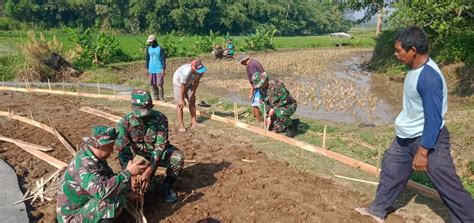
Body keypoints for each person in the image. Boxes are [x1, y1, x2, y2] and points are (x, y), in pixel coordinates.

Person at [355, 26, 474, 223]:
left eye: (399, 50)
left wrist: (423, 151)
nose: (396, 54)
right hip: (406, 136)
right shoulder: (414, 68)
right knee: (391, 169)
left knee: (447, 185)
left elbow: (434, 119)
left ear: (413, 51)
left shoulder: (428, 78)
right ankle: (378, 210)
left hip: (428, 138)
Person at [57, 126, 146, 223]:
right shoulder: (84, 164)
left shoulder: (94, 157)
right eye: (110, 147)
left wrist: (127, 193)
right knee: (110, 202)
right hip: (72, 218)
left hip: (85, 206)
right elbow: (101, 191)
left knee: (117, 194)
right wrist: (127, 173)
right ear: (100, 145)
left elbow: (109, 179)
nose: (112, 151)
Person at [115, 89, 185, 203]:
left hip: (157, 154)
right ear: (132, 108)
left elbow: (159, 147)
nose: (141, 117)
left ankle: (167, 187)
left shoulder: (160, 118)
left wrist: (149, 171)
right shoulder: (124, 123)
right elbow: (123, 152)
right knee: (145, 194)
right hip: (138, 158)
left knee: (177, 158)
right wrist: (131, 175)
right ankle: (149, 183)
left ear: (152, 106)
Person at [252, 72, 299, 138]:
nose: (260, 87)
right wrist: (267, 115)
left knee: (280, 114)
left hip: (288, 105)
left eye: (260, 84)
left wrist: (274, 109)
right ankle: (293, 122)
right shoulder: (261, 89)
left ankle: (291, 129)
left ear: (265, 80)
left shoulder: (277, 85)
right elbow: (262, 101)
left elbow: (285, 100)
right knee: (274, 129)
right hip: (274, 108)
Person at [172, 59, 208, 133]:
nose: (201, 72)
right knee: (180, 105)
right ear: (193, 69)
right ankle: (181, 125)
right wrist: (182, 99)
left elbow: (196, 81)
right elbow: (182, 86)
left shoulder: (201, 70)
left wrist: (193, 93)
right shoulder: (185, 73)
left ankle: (193, 122)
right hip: (178, 83)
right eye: (199, 70)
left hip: (188, 83)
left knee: (192, 101)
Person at [237, 53, 265, 122]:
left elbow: (256, 79)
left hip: (259, 86)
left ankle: (259, 121)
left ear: (244, 60)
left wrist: (251, 92)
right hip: (262, 83)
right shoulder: (254, 62)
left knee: (255, 104)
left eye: (241, 62)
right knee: (255, 103)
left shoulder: (250, 65)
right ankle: (255, 116)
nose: (241, 64)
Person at [145, 34, 166, 101]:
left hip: (159, 68)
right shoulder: (148, 49)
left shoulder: (160, 48)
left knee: (159, 84)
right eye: (149, 42)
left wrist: (163, 69)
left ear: (154, 41)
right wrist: (147, 68)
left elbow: (163, 59)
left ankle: (161, 97)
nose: (150, 43)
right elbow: (147, 59)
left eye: (151, 42)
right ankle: (155, 97)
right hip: (151, 69)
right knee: (152, 84)